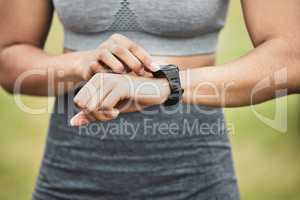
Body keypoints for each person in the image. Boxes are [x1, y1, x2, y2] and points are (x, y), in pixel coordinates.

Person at [0, 0, 300, 199]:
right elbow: (8, 57)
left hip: (196, 181)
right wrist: (83, 64)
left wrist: (165, 84)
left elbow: (291, 58)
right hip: (68, 179)